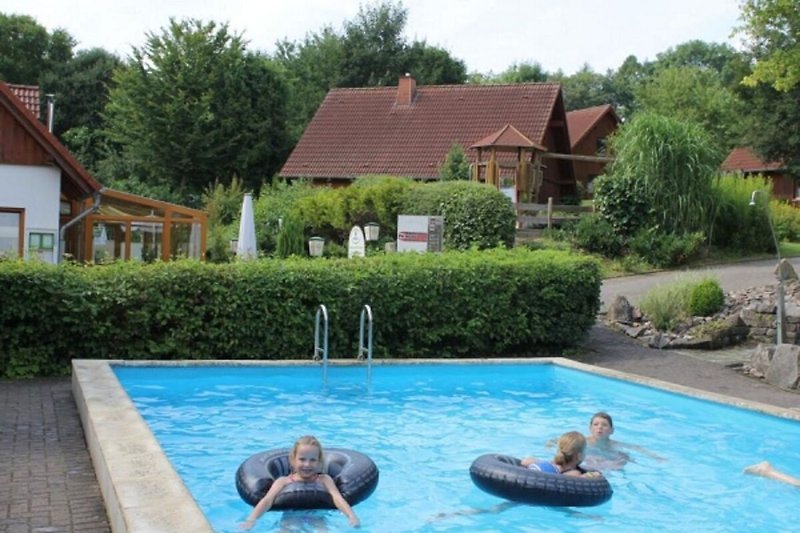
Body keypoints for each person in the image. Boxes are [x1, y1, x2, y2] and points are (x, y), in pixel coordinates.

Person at [240, 435, 360, 530]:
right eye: (302, 459)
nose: (307, 464)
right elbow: (267, 500)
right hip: (290, 516)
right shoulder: (283, 481)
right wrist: (251, 520)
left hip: (318, 517)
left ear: (319, 462)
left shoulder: (324, 479)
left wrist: (351, 516)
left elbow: (337, 498)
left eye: (312, 460)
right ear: (293, 460)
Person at [521, 431, 602, 477]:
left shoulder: (546, 463)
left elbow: (524, 462)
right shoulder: (573, 473)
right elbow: (581, 479)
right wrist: (594, 474)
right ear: (579, 456)